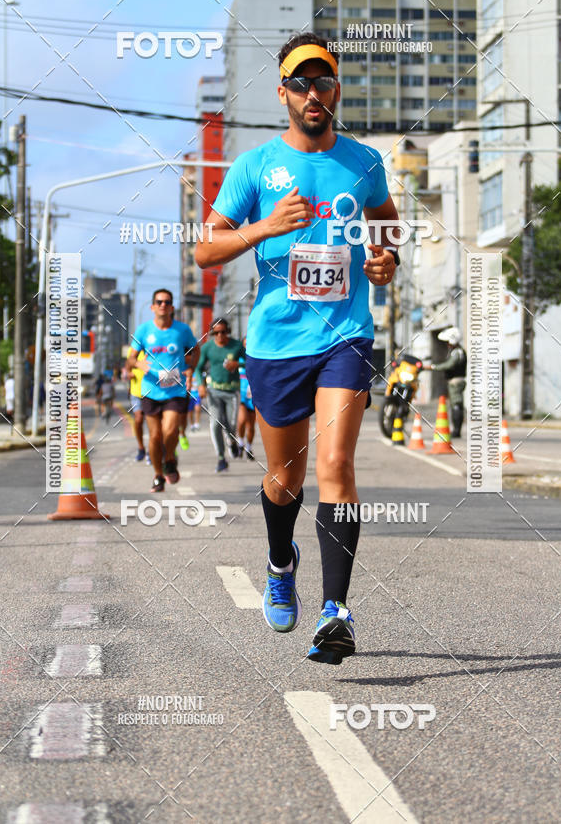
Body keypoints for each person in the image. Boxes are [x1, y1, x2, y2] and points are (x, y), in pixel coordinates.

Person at [195, 32, 399, 665]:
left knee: (335, 466)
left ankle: (335, 611)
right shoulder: (254, 167)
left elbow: (387, 222)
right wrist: (264, 227)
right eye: (302, 83)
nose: (315, 94)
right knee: (284, 480)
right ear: (283, 92)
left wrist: (386, 258)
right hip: (277, 339)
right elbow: (206, 249)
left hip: (346, 336)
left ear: (337, 90)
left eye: (325, 82)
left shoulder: (363, 162)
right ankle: (280, 560)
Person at [126, 289, 199, 492]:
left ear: (172, 307)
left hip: (175, 389)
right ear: (152, 306)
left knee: (170, 430)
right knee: (156, 436)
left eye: (167, 302)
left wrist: (191, 367)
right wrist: (139, 366)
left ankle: (169, 458)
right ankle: (158, 474)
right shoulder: (143, 331)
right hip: (150, 390)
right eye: (159, 302)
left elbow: (196, 349)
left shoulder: (182, 330)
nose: (163, 305)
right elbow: (130, 358)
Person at [194, 318, 245, 473]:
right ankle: (221, 458)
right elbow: (198, 368)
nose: (220, 335)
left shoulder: (236, 346)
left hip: (232, 391)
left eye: (223, 332)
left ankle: (231, 441)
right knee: (215, 424)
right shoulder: (207, 347)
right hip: (214, 391)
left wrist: (238, 364)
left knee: (230, 424)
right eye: (216, 333)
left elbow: (252, 362)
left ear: (227, 331)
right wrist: (201, 384)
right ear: (212, 333)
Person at [427, 327, 467, 438]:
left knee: (456, 405)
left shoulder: (457, 352)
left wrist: (433, 367)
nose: (447, 345)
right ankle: (456, 429)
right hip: (454, 381)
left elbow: (449, 365)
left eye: (448, 342)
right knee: (455, 404)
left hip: (456, 382)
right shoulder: (456, 352)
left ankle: (457, 430)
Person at [237, 339, 256, 460]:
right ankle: (240, 442)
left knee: (251, 425)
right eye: (245, 343)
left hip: (254, 396)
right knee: (242, 421)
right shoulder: (238, 359)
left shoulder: (256, 358)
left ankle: (248, 448)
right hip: (241, 395)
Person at [128, 350, 148, 461]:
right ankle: (141, 448)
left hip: (152, 392)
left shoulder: (154, 346)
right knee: (139, 419)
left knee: (152, 423)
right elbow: (128, 363)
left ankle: (152, 450)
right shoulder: (133, 350)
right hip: (136, 392)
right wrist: (129, 372)